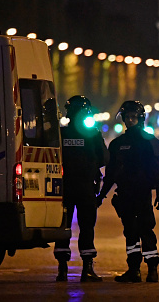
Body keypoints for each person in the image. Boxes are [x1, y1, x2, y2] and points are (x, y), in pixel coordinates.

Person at [96, 100, 159, 283]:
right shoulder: (117, 144)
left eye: (133, 117)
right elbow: (110, 174)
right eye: (127, 117)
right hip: (125, 194)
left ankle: (152, 269)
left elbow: (158, 169)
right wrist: (102, 195)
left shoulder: (149, 141)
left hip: (142, 194)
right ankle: (133, 270)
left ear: (141, 118)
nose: (130, 120)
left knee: (146, 230)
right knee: (130, 233)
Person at [54, 95, 109, 282]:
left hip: (64, 187)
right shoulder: (92, 134)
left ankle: (62, 270)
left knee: (63, 228)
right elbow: (104, 158)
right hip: (86, 187)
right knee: (87, 228)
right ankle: (87, 269)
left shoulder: (60, 134)